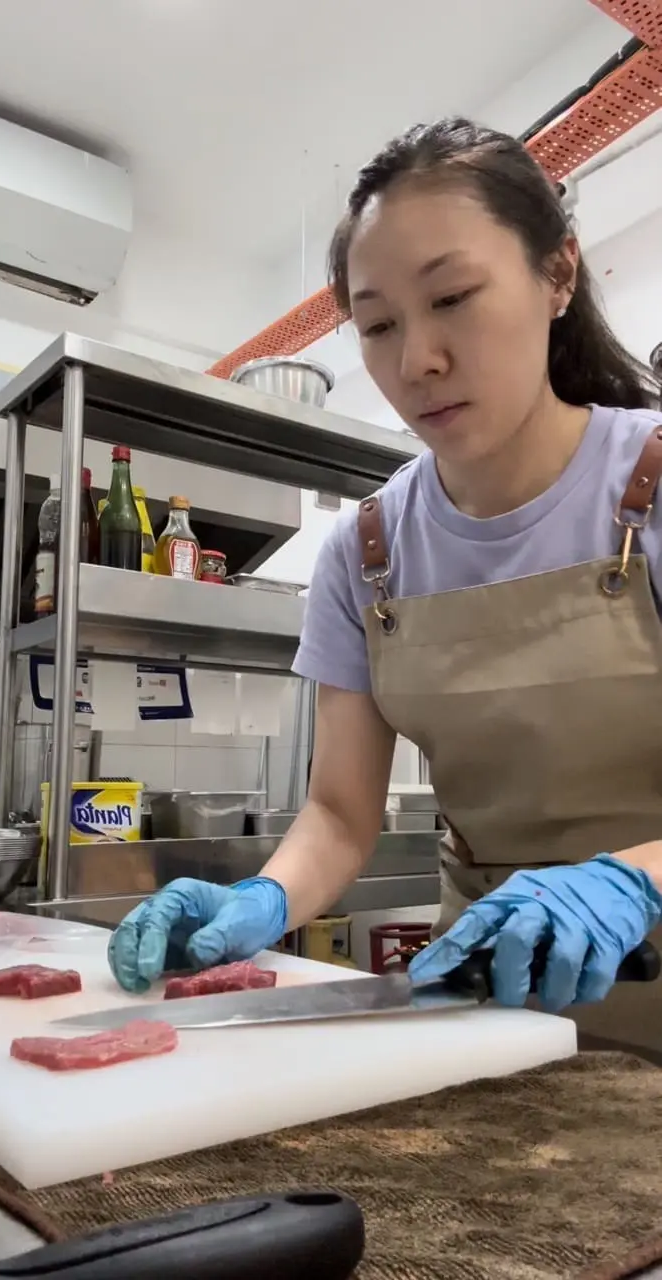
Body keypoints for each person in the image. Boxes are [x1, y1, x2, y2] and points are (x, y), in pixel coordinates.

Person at [109, 117, 662, 1035]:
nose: (416, 362)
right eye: (377, 325)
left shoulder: (648, 480)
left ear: (557, 273)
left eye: (452, 298)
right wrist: (262, 897)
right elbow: (337, 814)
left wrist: (627, 882)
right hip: (494, 1011)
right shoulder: (366, 550)